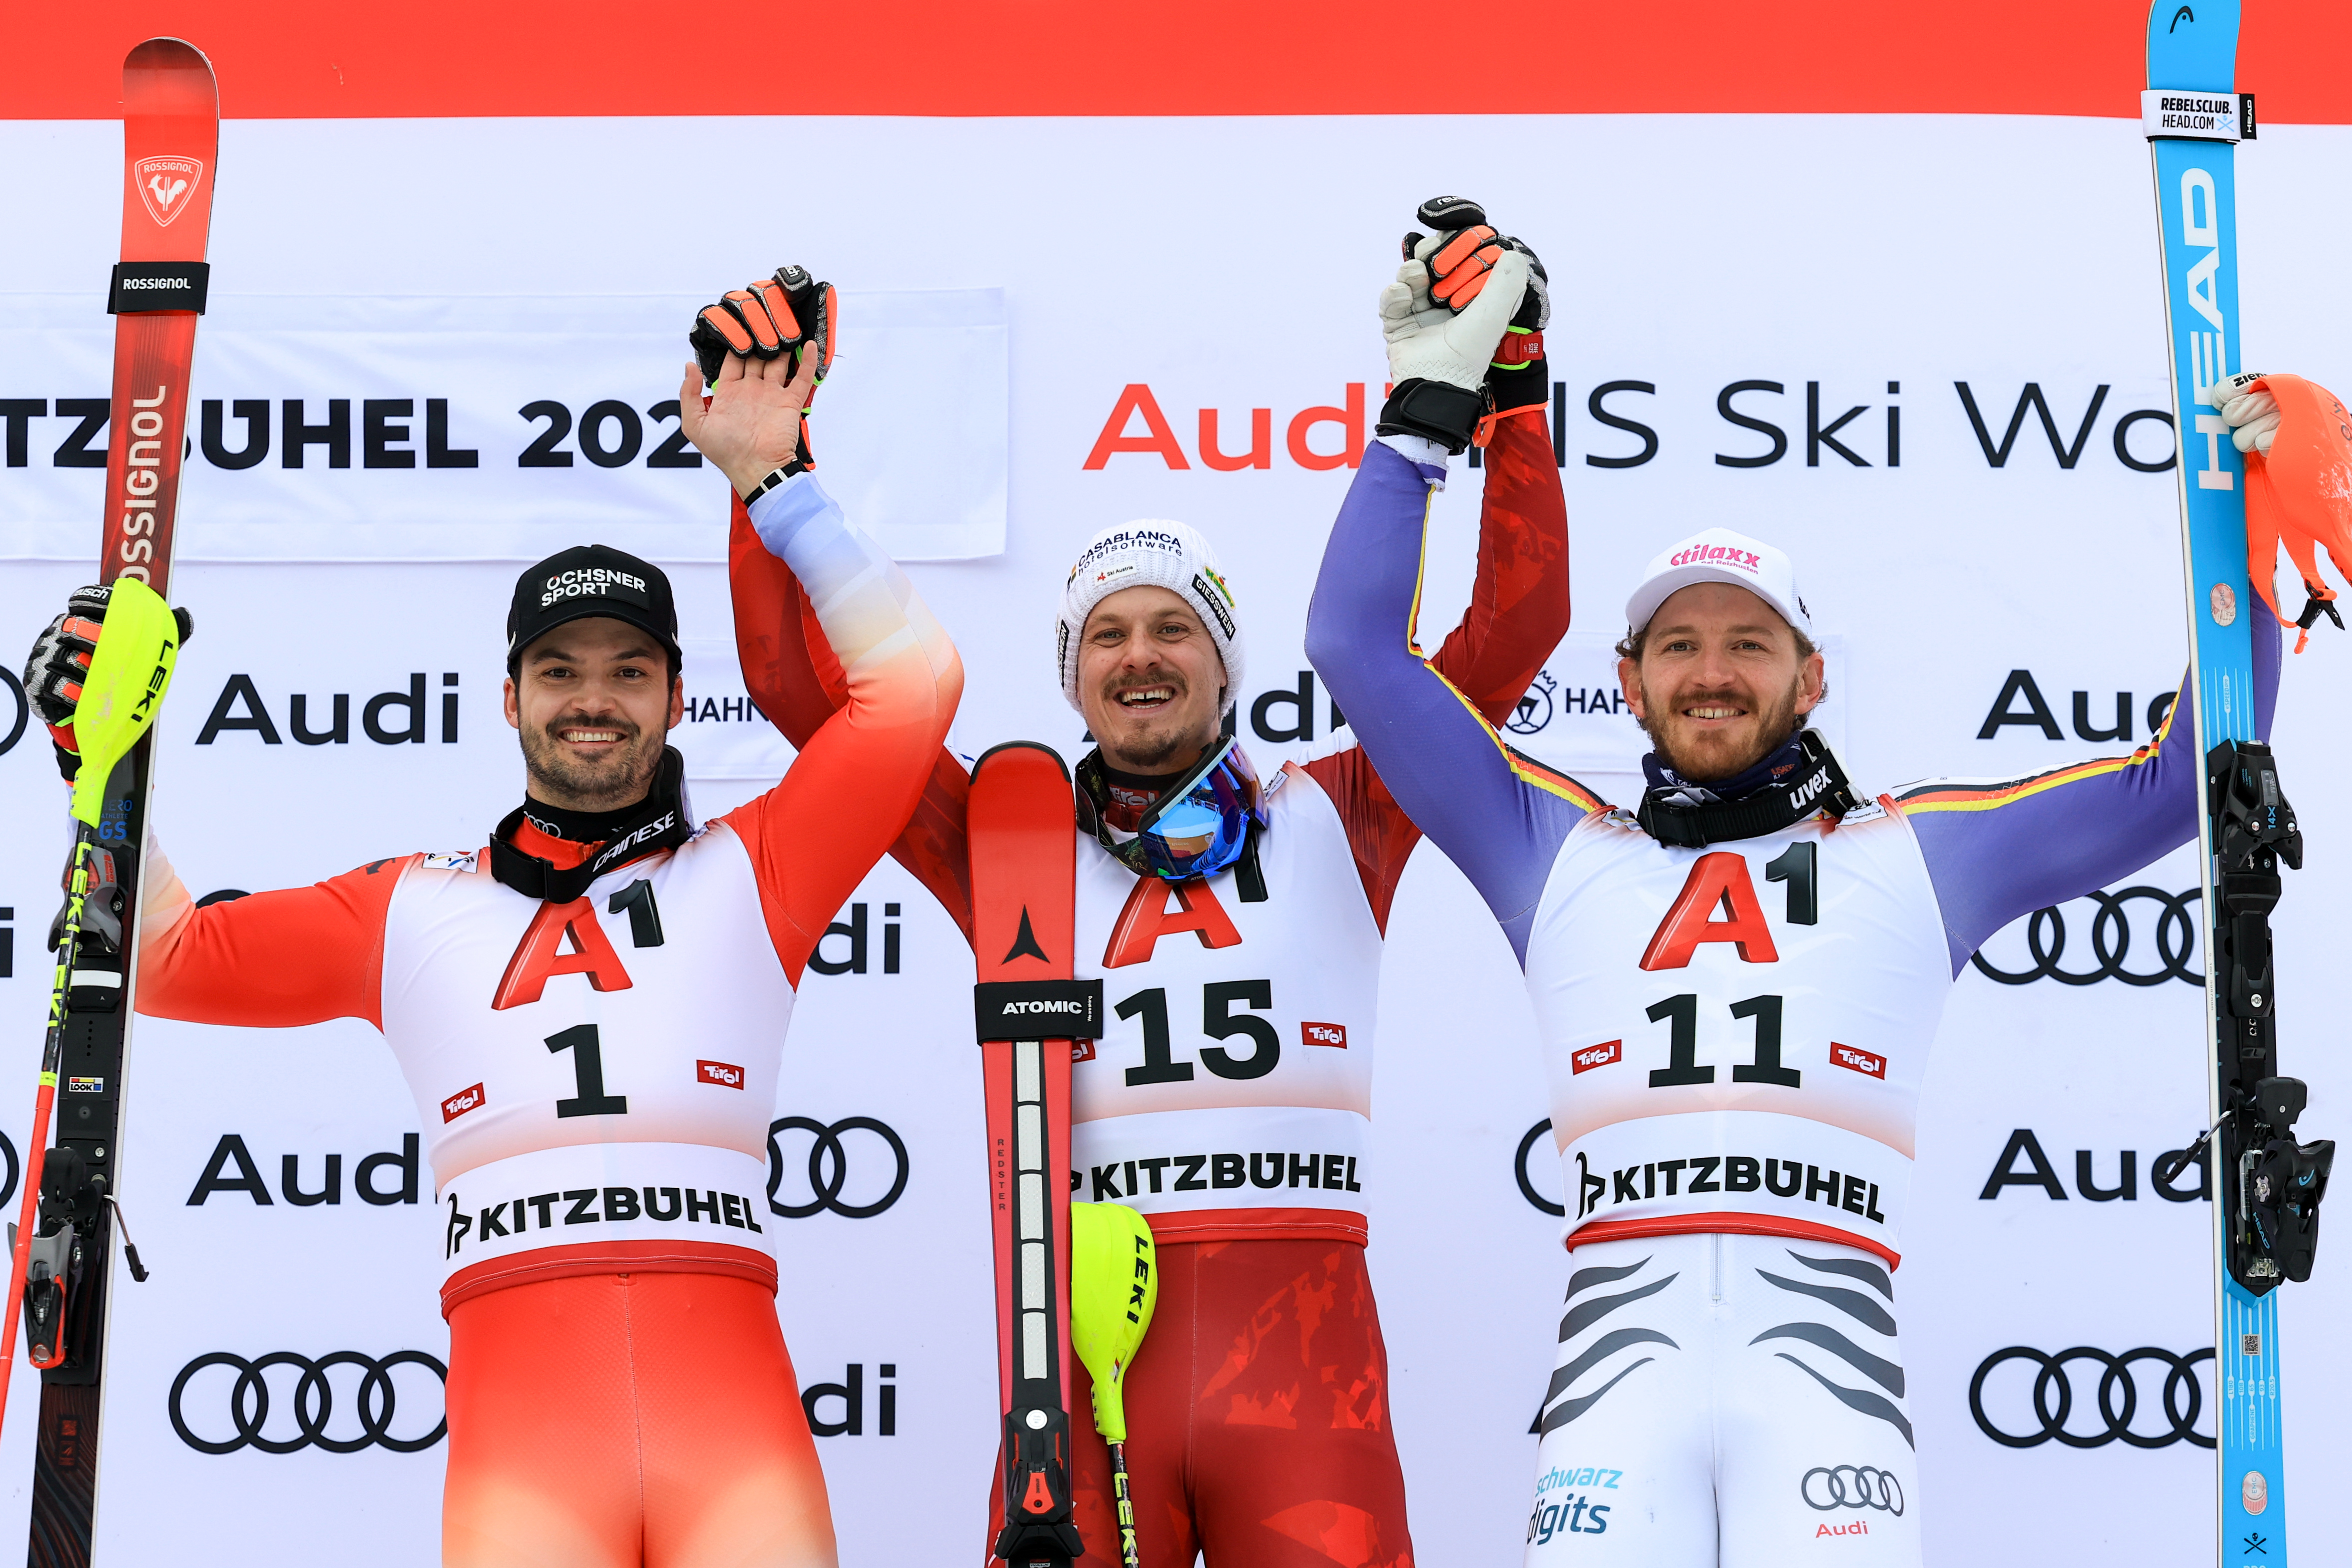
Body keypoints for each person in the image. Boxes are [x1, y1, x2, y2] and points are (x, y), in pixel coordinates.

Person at [1306, 237, 2309, 1565]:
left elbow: (2178, 781)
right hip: (1614, 1399)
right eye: (1678, 644)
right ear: (1629, 680)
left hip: (1826, 1396)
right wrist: (1421, 421)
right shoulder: (1546, 846)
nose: (1711, 671)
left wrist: (2250, 536)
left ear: (1811, 676)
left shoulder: (1917, 854)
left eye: (1748, 642)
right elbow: (1355, 652)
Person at [18, 272, 962, 1568]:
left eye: (629, 670)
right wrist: (100, 765)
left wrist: (774, 479)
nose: (594, 699)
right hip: (529, 1468)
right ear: (510, 698)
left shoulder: (755, 871)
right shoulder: (414, 906)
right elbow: (171, 960)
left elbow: (913, 684)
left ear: (675, 695)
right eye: (559, 671)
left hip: (736, 1451)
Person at [731, 199, 1566, 1567]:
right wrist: (765, 476)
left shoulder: (1343, 810)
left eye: (1174, 627)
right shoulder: (1002, 837)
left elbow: (1514, 630)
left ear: (1227, 664)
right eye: (1105, 634)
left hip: (1306, 1395)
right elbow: (802, 695)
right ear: (1072, 677)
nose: (1139, 655)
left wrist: (1511, 398)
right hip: (1074, 1385)